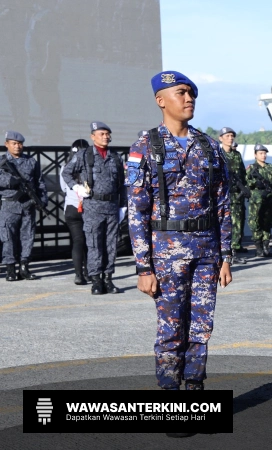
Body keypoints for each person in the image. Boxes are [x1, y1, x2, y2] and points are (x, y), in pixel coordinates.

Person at [126, 71, 233, 402]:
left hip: (206, 253)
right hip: (166, 255)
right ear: (161, 100)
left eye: (192, 94)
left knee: (201, 328)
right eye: (181, 93)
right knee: (171, 329)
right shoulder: (146, 147)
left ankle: (195, 389)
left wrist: (226, 256)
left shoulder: (210, 146)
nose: (189, 99)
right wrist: (143, 268)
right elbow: (137, 210)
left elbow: (223, 205)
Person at [62, 122, 125, 295]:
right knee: (94, 243)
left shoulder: (115, 157)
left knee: (111, 245)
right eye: (102, 133)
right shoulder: (84, 155)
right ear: (93, 136)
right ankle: (96, 280)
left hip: (112, 206)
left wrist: (123, 206)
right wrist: (76, 187)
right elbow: (66, 173)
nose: (106, 136)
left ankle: (108, 279)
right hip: (93, 206)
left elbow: (122, 184)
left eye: (107, 134)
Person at [0, 130, 47, 281]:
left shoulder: (31, 162)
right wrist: (9, 182)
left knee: (27, 237)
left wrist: (42, 199)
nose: (18, 146)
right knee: (8, 237)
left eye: (20, 144)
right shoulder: (2, 162)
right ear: (7, 144)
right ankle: (10, 269)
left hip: (28, 205)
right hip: (9, 205)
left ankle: (24, 267)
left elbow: (39, 182)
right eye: (14, 143)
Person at [61, 139, 89, 285]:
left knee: (78, 241)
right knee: (90, 241)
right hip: (88, 207)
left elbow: (63, 188)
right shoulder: (89, 165)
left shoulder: (64, 167)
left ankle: (78, 274)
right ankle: (89, 271)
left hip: (71, 208)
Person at [247, 144, 272, 258]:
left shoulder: (270, 167)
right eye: (261, 153)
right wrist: (255, 183)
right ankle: (259, 249)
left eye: (265, 153)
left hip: (269, 199)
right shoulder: (251, 168)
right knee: (256, 223)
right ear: (255, 155)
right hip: (257, 200)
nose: (263, 156)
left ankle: (266, 248)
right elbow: (246, 182)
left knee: (268, 222)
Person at [218, 126, 249, 264]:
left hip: (237, 196)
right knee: (224, 225)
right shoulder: (218, 154)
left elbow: (242, 174)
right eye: (227, 136)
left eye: (232, 136)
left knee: (238, 224)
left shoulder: (236, 155)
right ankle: (225, 254)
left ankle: (234, 252)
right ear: (221, 138)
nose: (230, 139)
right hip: (223, 195)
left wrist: (245, 188)